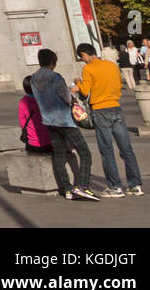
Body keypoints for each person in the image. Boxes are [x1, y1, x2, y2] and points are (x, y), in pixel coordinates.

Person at [74, 42, 143, 198]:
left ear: (84, 55)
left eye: (82, 57)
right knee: (126, 149)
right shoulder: (111, 66)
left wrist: (78, 83)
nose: (83, 60)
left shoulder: (88, 68)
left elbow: (85, 91)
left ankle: (115, 187)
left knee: (107, 150)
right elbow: (118, 84)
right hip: (116, 107)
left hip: (100, 109)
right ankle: (135, 185)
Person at [31, 49, 99, 201]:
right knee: (85, 152)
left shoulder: (34, 79)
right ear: (52, 62)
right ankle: (82, 186)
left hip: (48, 120)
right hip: (65, 120)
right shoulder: (56, 77)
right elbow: (67, 98)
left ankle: (66, 188)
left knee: (59, 154)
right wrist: (74, 97)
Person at [18, 76, 52, 155]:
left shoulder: (23, 102)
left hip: (32, 143)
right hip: (48, 141)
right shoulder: (44, 100)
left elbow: (22, 123)